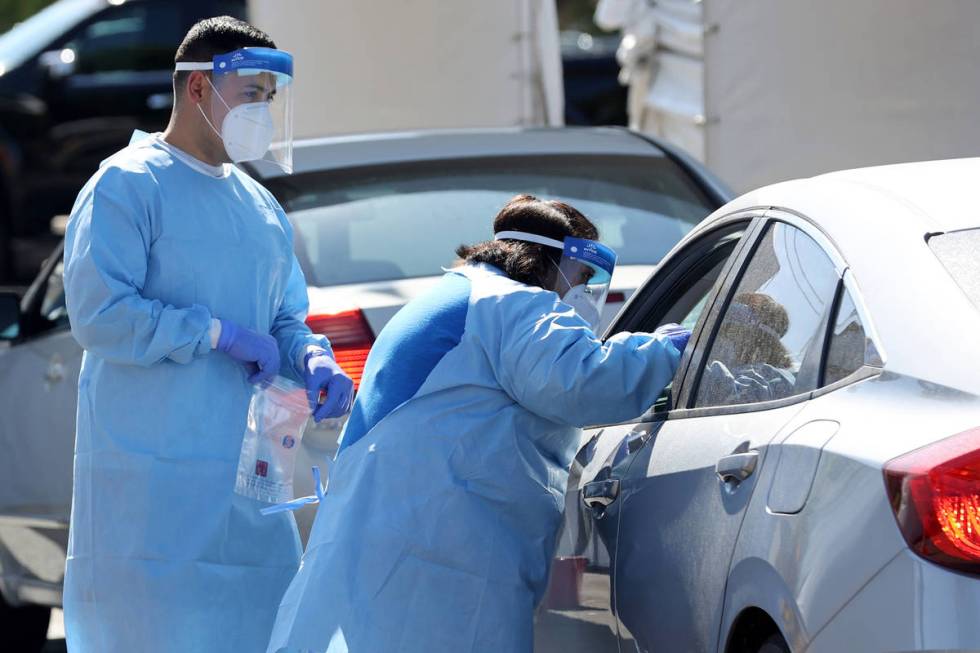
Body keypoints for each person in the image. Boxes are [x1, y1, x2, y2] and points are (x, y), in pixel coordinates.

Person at [266, 195, 691, 653]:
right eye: (582, 277)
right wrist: (671, 348)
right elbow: (584, 383)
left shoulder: (462, 294)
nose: (583, 293)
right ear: (551, 261)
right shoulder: (511, 304)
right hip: (437, 551)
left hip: (400, 538)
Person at [61, 17, 354, 653]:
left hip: (247, 489)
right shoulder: (128, 184)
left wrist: (311, 357)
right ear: (199, 88)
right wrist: (215, 334)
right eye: (253, 94)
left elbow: (284, 314)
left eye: (269, 100)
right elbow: (99, 314)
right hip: (150, 496)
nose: (264, 112)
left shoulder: (259, 206)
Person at [698, 292, 796, 406]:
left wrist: (690, 358)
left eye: (727, 330)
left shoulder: (772, 380)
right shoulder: (739, 373)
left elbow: (728, 399)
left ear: (752, 339)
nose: (715, 337)